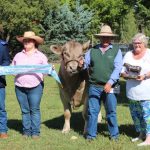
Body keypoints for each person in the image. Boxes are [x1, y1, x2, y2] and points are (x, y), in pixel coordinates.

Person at [82, 24, 122, 140]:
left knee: (111, 112)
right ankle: (91, 136)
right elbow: (86, 64)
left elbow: (118, 68)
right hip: (94, 86)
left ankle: (114, 136)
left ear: (111, 38)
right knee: (92, 112)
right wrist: (81, 64)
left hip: (111, 87)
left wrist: (109, 83)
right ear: (100, 38)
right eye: (103, 37)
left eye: (107, 37)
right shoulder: (92, 50)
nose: (105, 39)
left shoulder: (116, 51)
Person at [12, 31, 48, 139]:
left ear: (34, 42)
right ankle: (26, 131)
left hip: (36, 87)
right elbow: (13, 70)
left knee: (34, 109)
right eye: (25, 40)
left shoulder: (41, 56)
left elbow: (46, 71)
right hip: (19, 86)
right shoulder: (18, 56)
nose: (26, 42)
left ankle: (35, 132)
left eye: (28, 40)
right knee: (24, 110)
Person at [121, 33, 150, 146]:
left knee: (147, 115)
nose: (137, 45)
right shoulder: (128, 54)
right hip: (132, 92)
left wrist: (145, 76)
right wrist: (124, 74)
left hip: (146, 92)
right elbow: (123, 69)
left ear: (144, 43)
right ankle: (141, 134)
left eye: (139, 43)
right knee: (136, 115)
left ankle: (149, 139)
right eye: (135, 43)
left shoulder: (149, 53)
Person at [0, 35, 10, 138]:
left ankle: (2, 130)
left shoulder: (2, 45)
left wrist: (1, 69)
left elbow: (7, 61)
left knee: (1, 108)